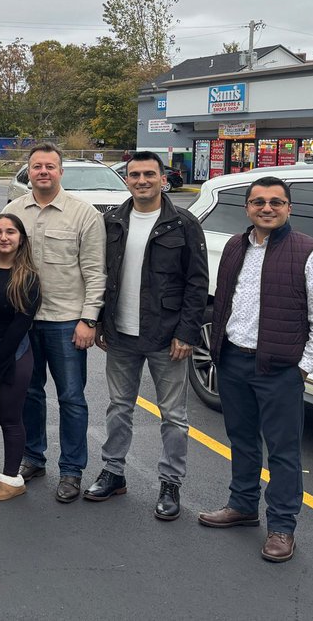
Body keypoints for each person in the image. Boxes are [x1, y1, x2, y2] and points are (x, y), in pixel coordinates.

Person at [198, 176, 313, 563]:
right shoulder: (233, 247)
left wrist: (303, 369)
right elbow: (224, 301)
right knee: (242, 440)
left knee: (283, 451)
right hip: (233, 361)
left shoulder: (310, 254)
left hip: (280, 369)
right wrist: (218, 350)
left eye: (276, 202)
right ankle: (243, 506)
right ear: (247, 207)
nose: (267, 208)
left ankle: (282, 527)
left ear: (289, 208)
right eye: (258, 201)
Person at [87, 152, 208, 520]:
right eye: (135, 175)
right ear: (127, 180)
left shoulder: (183, 224)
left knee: (173, 415)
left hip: (166, 336)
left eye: (149, 174)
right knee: (118, 408)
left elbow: (197, 283)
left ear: (163, 179)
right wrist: (101, 322)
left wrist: (187, 332)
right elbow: (102, 274)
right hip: (121, 335)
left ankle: (170, 483)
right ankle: (113, 472)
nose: (141, 180)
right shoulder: (112, 222)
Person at [4, 143, 105, 504]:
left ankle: (72, 470)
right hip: (24, 322)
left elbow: (95, 272)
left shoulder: (84, 214)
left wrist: (88, 319)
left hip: (66, 322)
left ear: (61, 171)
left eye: (50, 166)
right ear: (28, 172)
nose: (43, 172)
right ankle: (33, 457)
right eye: (36, 166)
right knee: (29, 394)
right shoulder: (14, 212)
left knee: (72, 398)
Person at [0, 213, 42, 501]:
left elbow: (20, 325)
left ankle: (12, 478)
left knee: (10, 418)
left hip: (12, 354)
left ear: (21, 238)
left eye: (10, 232)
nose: (4, 237)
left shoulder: (28, 277)